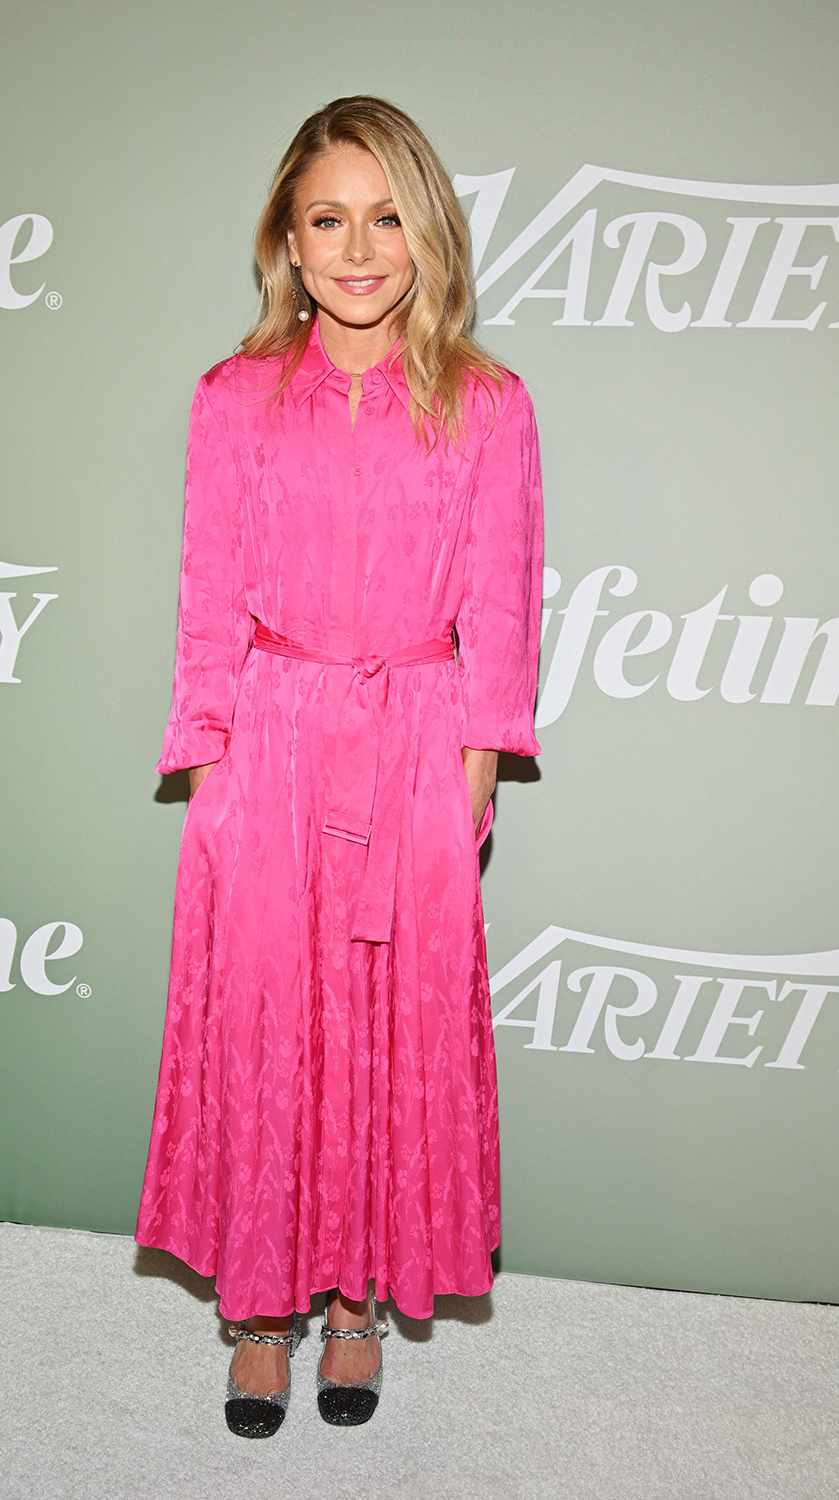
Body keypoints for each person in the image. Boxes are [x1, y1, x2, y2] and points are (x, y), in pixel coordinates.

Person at [136, 95, 543, 1438]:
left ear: (424, 235)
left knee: (386, 1030)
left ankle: (358, 1300)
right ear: (289, 243)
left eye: (386, 216)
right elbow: (206, 605)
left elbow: (501, 605)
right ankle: (258, 1309)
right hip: (268, 738)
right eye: (328, 218)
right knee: (264, 1027)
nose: (358, 246)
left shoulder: (489, 404)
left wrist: (473, 775)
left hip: (420, 742)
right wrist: (211, 769)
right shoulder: (231, 400)